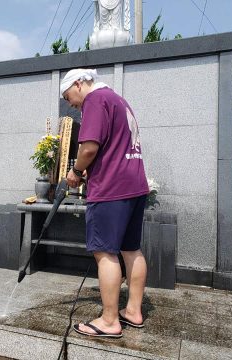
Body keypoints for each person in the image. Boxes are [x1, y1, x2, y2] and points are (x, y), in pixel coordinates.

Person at [61, 68, 149, 338]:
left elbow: (89, 147)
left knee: (105, 253)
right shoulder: (118, 100)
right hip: (135, 184)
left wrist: (76, 171)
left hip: (111, 188)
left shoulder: (95, 101)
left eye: (68, 96)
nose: (70, 103)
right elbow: (113, 146)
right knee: (130, 249)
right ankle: (133, 310)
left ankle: (109, 320)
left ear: (78, 84)